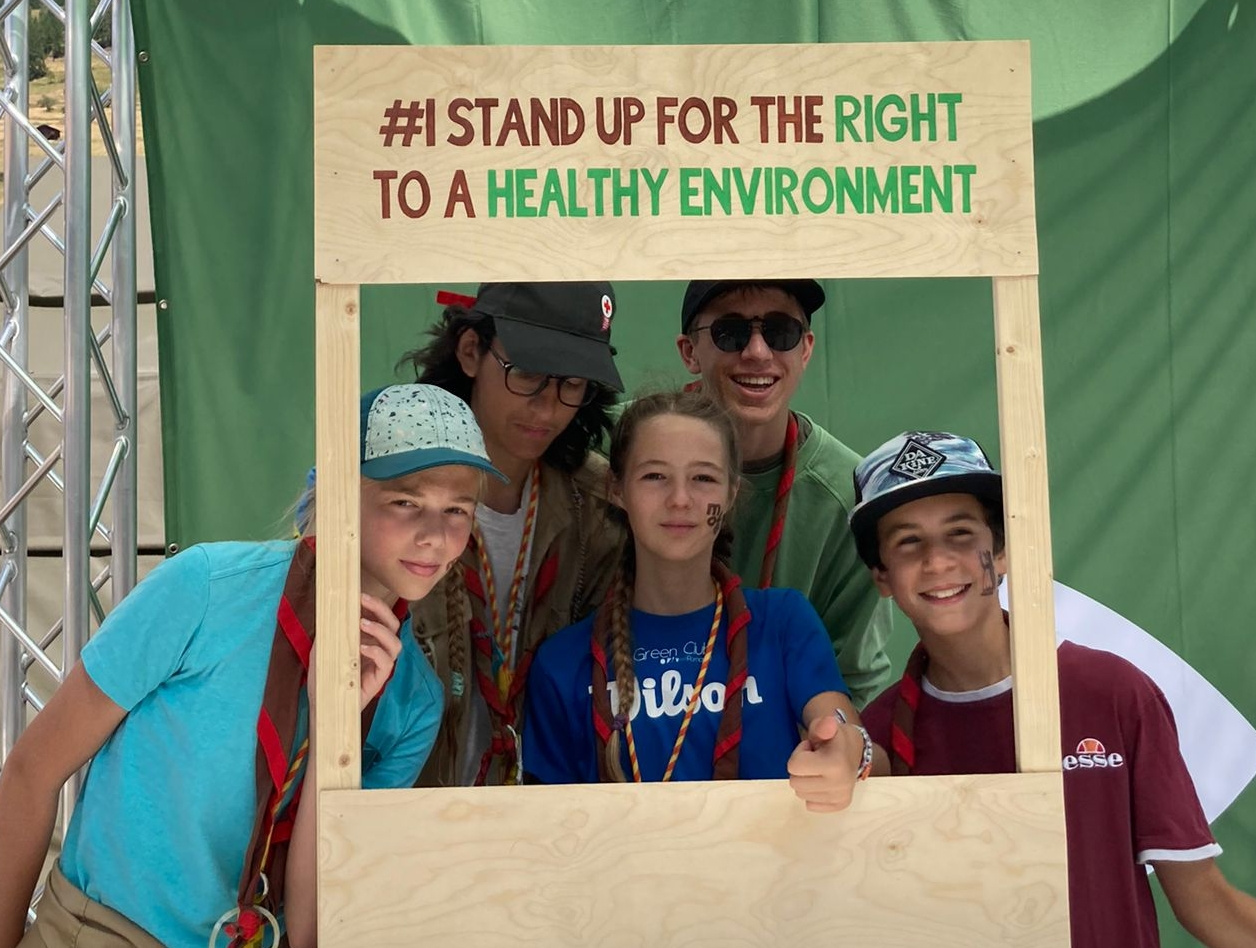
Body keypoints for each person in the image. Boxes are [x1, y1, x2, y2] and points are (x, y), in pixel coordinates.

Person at [0, 384, 504, 948]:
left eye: (458, 510)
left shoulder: (413, 701)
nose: (435, 535)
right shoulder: (204, 588)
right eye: (406, 501)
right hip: (102, 932)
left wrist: (337, 722)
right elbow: (31, 771)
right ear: (342, 494)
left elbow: (316, 927)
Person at [850, 430, 1256, 948]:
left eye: (960, 534)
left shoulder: (1112, 692)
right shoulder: (879, 737)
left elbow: (1206, 903)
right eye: (908, 541)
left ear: (1001, 553)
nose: (937, 561)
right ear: (881, 575)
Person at [523, 389, 879, 805]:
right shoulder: (563, 662)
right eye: (654, 476)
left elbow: (837, 720)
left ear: (730, 495)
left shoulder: (783, 623)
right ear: (617, 490)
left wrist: (846, 747)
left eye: (703, 478)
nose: (680, 499)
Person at [398, 282, 625, 786]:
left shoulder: (603, 511)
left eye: (572, 383)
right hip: (403, 820)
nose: (547, 407)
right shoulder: (384, 489)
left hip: (546, 828)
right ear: (471, 350)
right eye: (526, 373)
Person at [676, 280, 890, 705]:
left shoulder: (852, 496)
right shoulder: (617, 451)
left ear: (806, 349)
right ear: (689, 352)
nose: (757, 351)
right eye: (730, 332)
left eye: (780, 332)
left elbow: (853, 681)